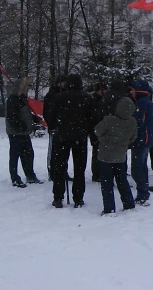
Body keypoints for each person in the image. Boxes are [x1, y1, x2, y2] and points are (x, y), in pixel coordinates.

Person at [50, 74, 95, 209]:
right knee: (79, 168)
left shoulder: (59, 98)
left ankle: (58, 197)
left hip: (61, 137)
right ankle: (78, 197)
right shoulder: (87, 98)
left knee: (59, 167)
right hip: (79, 138)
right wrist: (86, 130)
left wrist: (56, 128)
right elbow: (92, 118)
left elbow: (52, 116)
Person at [95, 96, 137, 215]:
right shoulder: (132, 122)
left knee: (106, 183)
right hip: (121, 157)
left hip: (105, 157)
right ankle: (128, 203)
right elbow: (133, 138)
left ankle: (109, 208)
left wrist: (103, 139)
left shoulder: (109, 120)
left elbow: (97, 131)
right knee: (122, 180)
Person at [5, 76, 43, 188]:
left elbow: (25, 114)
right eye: (25, 87)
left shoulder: (22, 99)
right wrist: (21, 126)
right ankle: (15, 178)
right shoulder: (12, 100)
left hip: (24, 132)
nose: (27, 89)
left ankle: (30, 175)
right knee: (15, 155)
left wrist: (34, 119)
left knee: (28, 154)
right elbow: (12, 118)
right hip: (15, 132)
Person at [129, 80, 153, 205]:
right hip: (145, 139)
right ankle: (143, 192)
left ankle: (142, 193)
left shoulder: (142, 103)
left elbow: (138, 122)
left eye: (133, 89)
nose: (131, 92)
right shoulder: (146, 102)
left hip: (141, 140)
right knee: (142, 167)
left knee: (136, 168)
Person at [43, 75, 67, 181]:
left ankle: (61, 171)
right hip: (55, 127)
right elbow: (47, 112)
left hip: (63, 128)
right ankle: (52, 171)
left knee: (62, 152)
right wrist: (52, 124)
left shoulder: (64, 94)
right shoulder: (52, 95)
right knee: (53, 151)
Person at [90, 82, 108, 182]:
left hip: (101, 128)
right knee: (96, 152)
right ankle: (96, 174)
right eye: (103, 90)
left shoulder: (103, 100)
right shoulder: (94, 101)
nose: (104, 92)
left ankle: (99, 172)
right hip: (96, 129)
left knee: (100, 151)